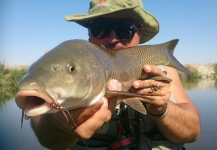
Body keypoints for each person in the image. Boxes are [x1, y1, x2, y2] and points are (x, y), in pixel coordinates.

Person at [31, 0, 200, 149]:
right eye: (100, 28)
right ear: (89, 33)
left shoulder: (162, 68)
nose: (112, 38)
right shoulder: (69, 67)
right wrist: (58, 124)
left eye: (125, 30)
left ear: (139, 32)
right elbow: (46, 137)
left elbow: (192, 132)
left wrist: (162, 108)